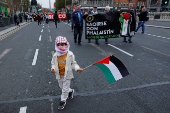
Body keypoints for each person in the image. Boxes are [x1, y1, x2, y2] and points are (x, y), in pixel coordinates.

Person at [51, 36, 83, 110]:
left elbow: (73, 63)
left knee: (64, 89)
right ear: (56, 45)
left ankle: (63, 101)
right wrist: (53, 69)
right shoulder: (55, 55)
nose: (61, 46)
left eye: (63, 44)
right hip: (59, 75)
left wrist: (77, 68)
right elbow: (53, 63)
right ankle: (71, 91)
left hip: (67, 75)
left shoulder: (70, 54)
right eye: (59, 44)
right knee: (62, 87)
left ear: (66, 44)